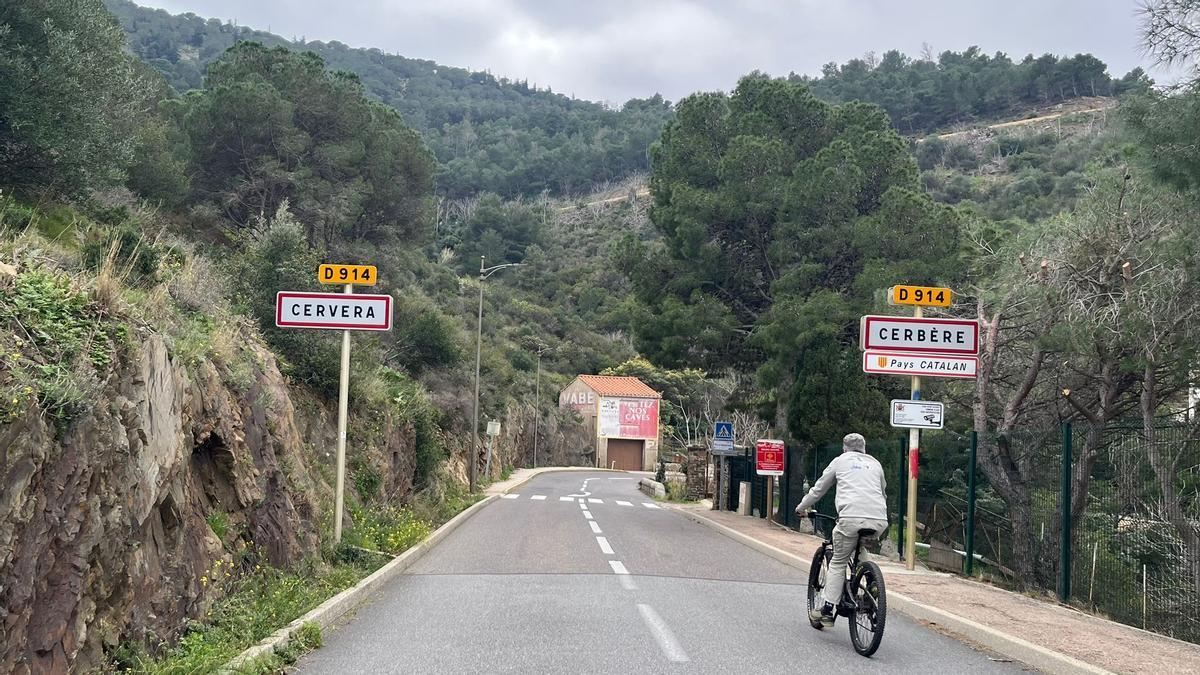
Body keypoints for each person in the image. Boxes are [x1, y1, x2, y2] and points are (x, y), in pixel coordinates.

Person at [795, 432, 888, 628]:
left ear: (844, 448)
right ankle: (872, 583)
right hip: (879, 519)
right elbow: (882, 491)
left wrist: (802, 507)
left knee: (838, 561)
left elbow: (818, 489)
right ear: (864, 448)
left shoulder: (840, 461)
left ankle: (827, 610)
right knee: (860, 547)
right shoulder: (875, 464)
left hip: (850, 518)